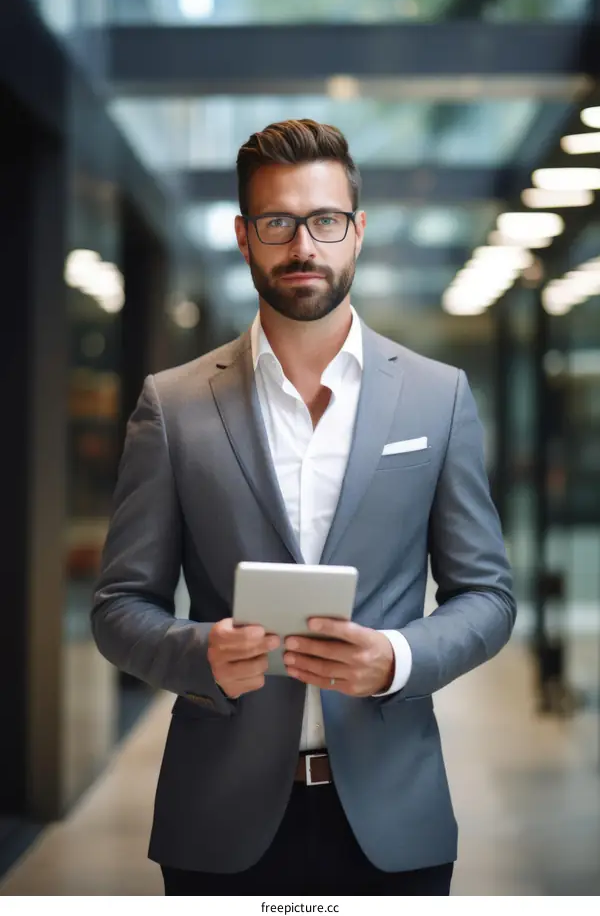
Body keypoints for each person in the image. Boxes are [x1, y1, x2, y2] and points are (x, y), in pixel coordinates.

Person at [91, 119, 516, 896]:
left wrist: (400, 659)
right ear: (244, 236)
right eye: (277, 222)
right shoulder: (174, 406)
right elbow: (120, 606)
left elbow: (486, 596)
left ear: (356, 231)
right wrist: (200, 655)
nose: (302, 245)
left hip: (395, 814)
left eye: (324, 220)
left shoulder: (438, 396)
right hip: (217, 818)